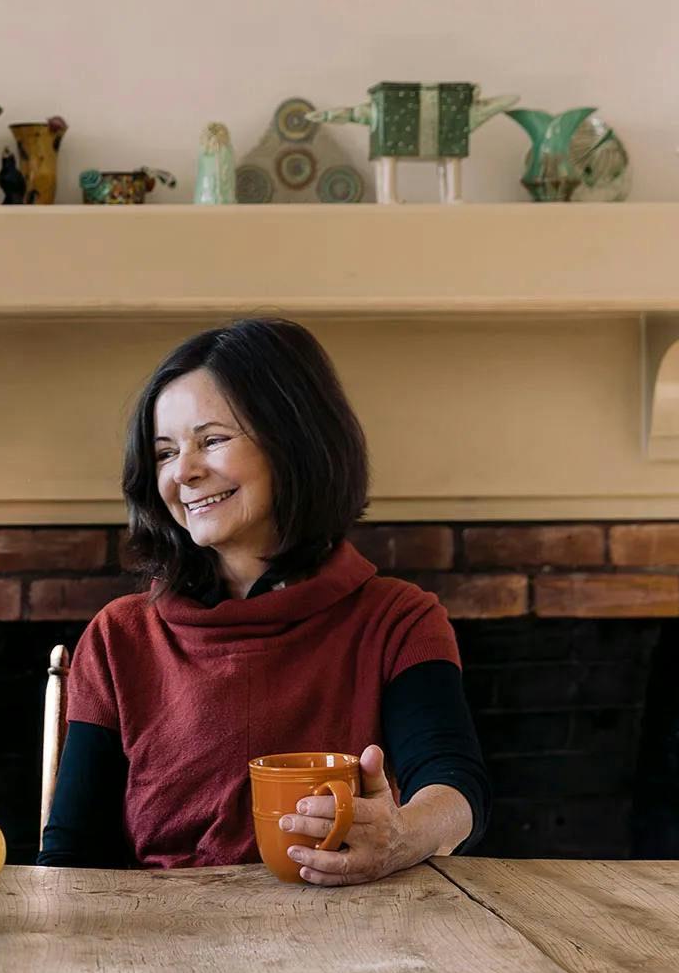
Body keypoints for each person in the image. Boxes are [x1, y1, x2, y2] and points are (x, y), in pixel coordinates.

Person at [37, 317, 489, 883]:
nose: (185, 472)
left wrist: (401, 836)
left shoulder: (398, 619)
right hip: (163, 946)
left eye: (213, 440)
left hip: (351, 940)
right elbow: (73, 857)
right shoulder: (119, 636)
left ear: (293, 440)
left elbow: (455, 788)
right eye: (164, 452)